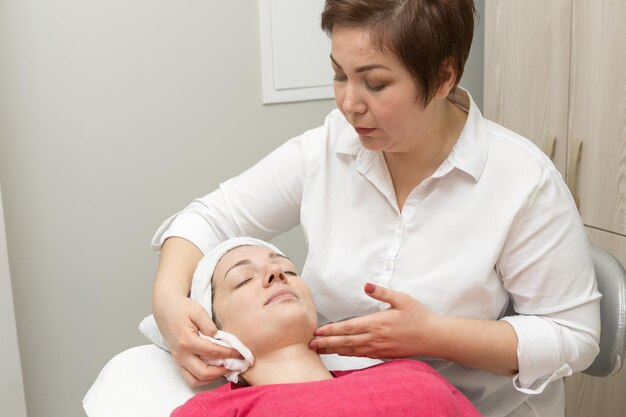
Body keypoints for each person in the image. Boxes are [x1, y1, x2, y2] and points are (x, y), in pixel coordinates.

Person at [151, 1, 601, 416]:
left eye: (376, 82)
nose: (349, 104)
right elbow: (209, 217)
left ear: (444, 77)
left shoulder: (521, 181)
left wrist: (434, 335)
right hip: (329, 396)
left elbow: (574, 337)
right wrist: (169, 302)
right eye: (339, 75)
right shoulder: (328, 148)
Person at [170, 238, 481, 417]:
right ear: (213, 331)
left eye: (288, 269)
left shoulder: (412, 374)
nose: (276, 273)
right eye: (244, 279)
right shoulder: (212, 412)